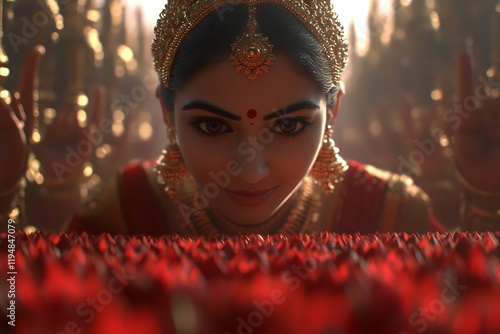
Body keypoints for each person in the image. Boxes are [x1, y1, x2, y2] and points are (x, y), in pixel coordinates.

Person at [1, 0, 499, 236]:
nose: (251, 169)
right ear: (168, 116)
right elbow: (17, 315)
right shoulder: (127, 212)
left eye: (288, 126)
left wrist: (488, 201)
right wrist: (5, 200)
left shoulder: (385, 214)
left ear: (335, 112)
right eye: (213, 126)